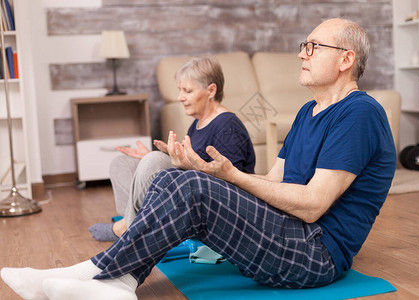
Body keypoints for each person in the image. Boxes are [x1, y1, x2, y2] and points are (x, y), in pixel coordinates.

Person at [1, 18, 396, 300]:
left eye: (313, 47)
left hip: (314, 254)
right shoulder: (307, 113)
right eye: (302, 46)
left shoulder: (359, 113)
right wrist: (211, 174)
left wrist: (230, 177)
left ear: (346, 60)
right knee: (172, 178)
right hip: (285, 232)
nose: (301, 55)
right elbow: (275, 183)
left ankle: (91, 272)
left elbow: (312, 206)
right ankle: (117, 283)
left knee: (190, 186)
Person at [89, 56, 256, 242]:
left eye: (187, 91)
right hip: (190, 191)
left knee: (154, 161)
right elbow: (192, 163)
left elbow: (231, 182)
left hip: (218, 209)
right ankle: (135, 225)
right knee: (122, 163)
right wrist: (154, 157)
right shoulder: (197, 125)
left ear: (211, 90)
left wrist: (164, 161)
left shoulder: (228, 126)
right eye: (180, 90)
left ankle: (129, 228)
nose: (180, 97)